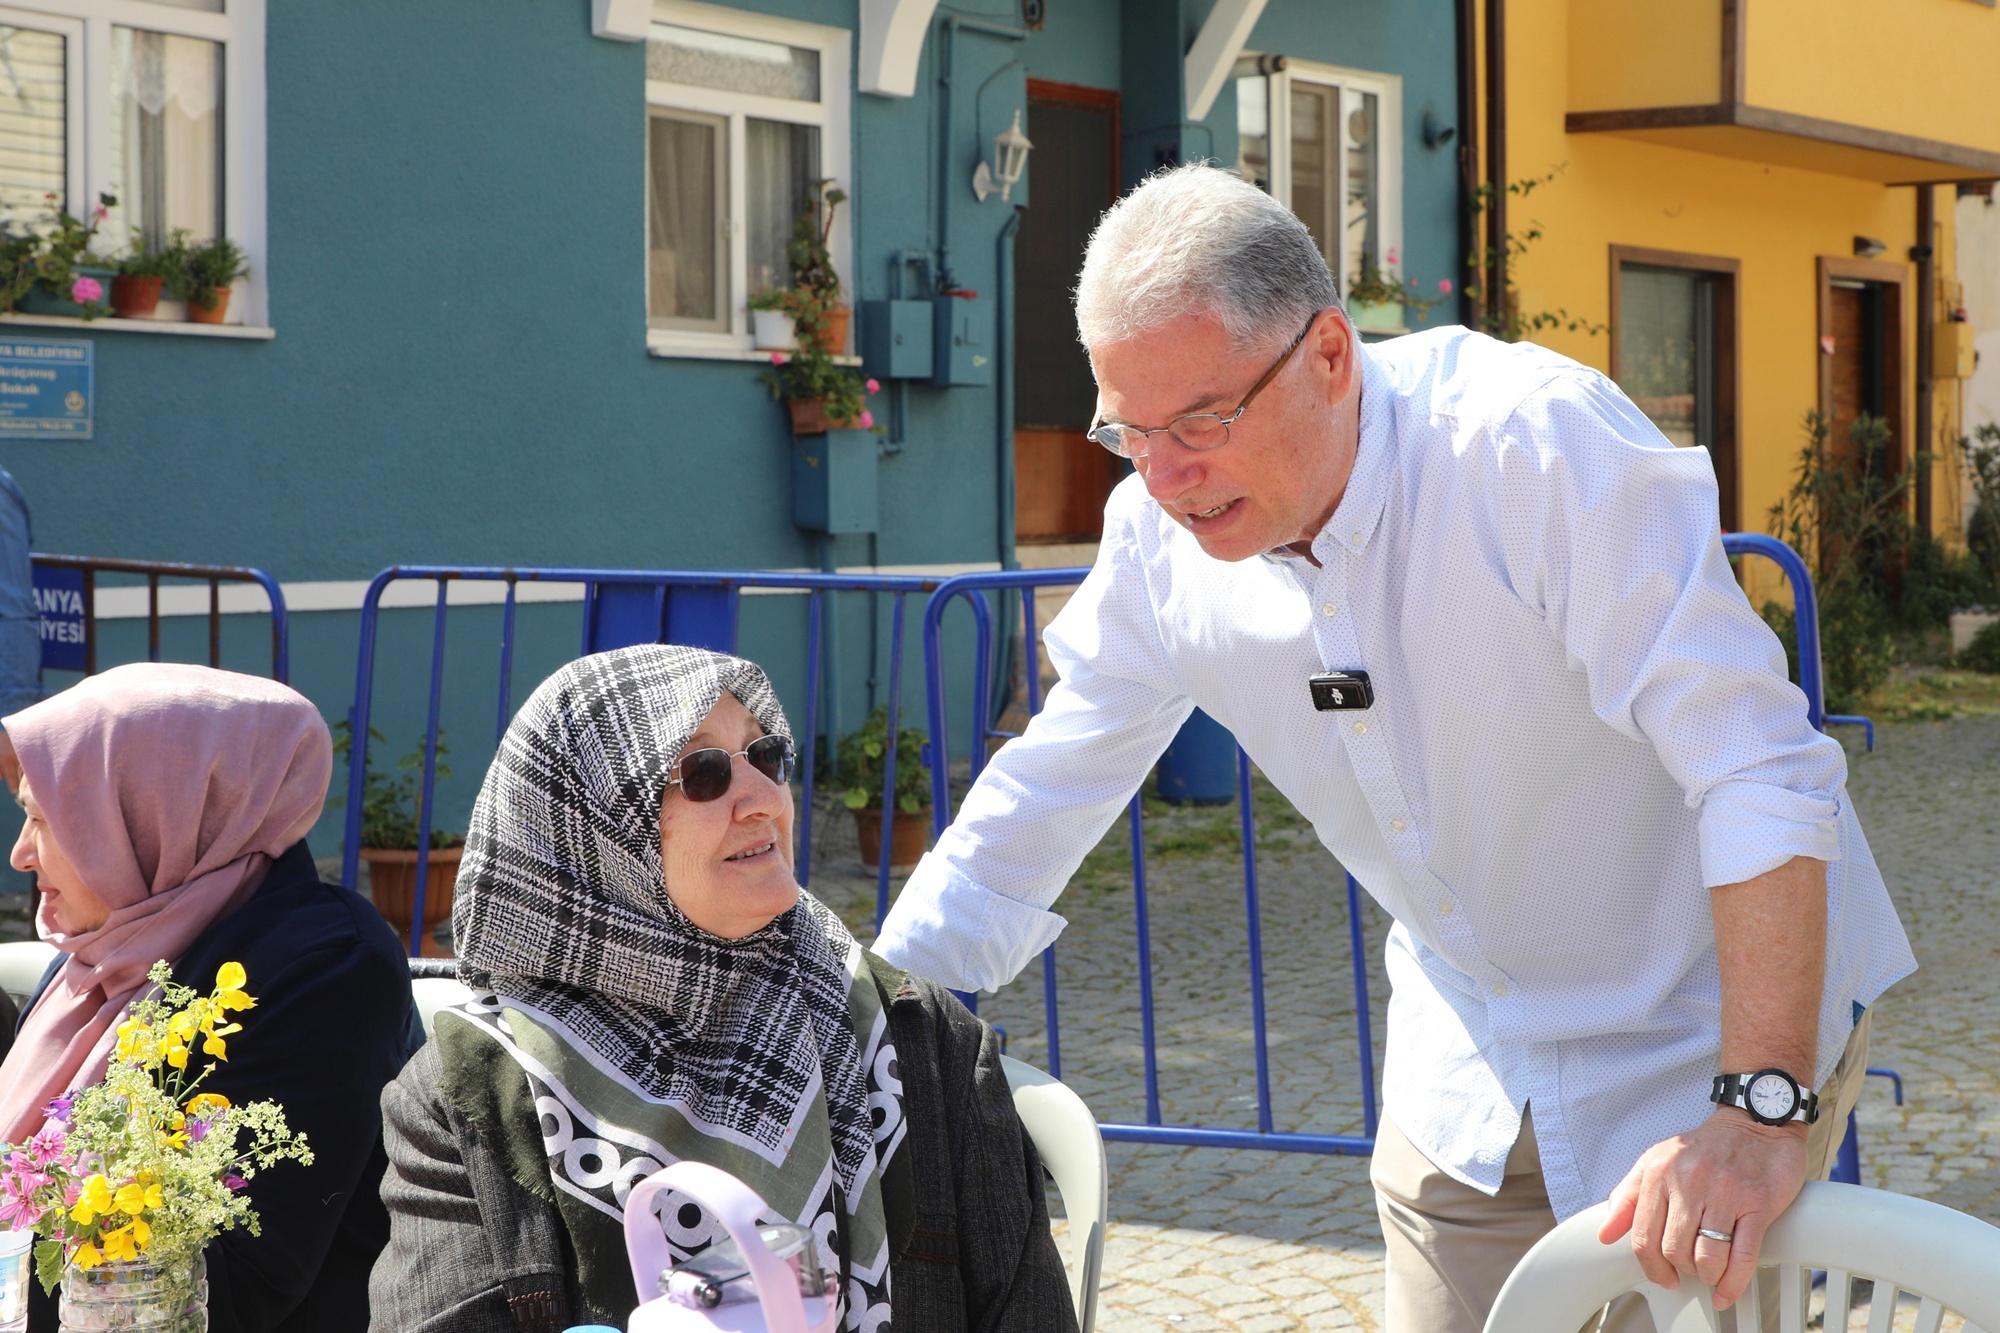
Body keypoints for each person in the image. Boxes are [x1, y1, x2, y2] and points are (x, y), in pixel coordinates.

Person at [872, 164, 1916, 1331]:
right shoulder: (1155, 543)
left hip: (1703, 1036)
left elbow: (1754, 767)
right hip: (1468, 1061)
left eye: (1202, 423)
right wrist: (871, 1020)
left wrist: (1758, 1106)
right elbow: (1044, 788)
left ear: (1328, 354)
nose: (1163, 478)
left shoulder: (1531, 448)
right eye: (1128, 431)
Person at [371, 644, 1077, 1333]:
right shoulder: (462, 1094)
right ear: (594, 832)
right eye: (705, 771)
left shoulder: (921, 1040)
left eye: (766, 756)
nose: (765, 798)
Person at [0, 663, 417, 1333]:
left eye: (46, 821)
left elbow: (236, 1283)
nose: (22, 854)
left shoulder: (326, 964)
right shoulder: (104, 957)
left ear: (143, 817)